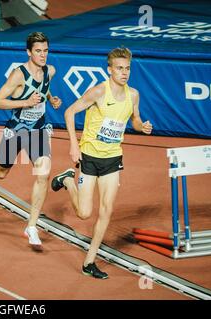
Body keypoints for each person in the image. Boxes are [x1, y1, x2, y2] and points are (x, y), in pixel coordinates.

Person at [51, 47, 152, 278]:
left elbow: (135, 119)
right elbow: (69, 112)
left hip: (112, 159)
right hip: (90, 157)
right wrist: (74, 145)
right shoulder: (98, 92)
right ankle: (67, 180)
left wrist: (141, 127)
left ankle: (89, 262)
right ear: (109, 70)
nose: (124, 73)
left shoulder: (133, 95)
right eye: (119, 68)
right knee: (84, 214)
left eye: (127, 68)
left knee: (106, 211)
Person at [0, 32, 62, 252]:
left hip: (38, 130)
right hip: (17, 130)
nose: (43, 55)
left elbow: (44, 89)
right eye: (38, 51)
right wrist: (25, 101)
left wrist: (52, 99)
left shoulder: (50, 71)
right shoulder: (18, 75)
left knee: (43, 173)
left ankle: (31, 226)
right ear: (28, 52)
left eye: (46, 50)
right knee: (1, 172)